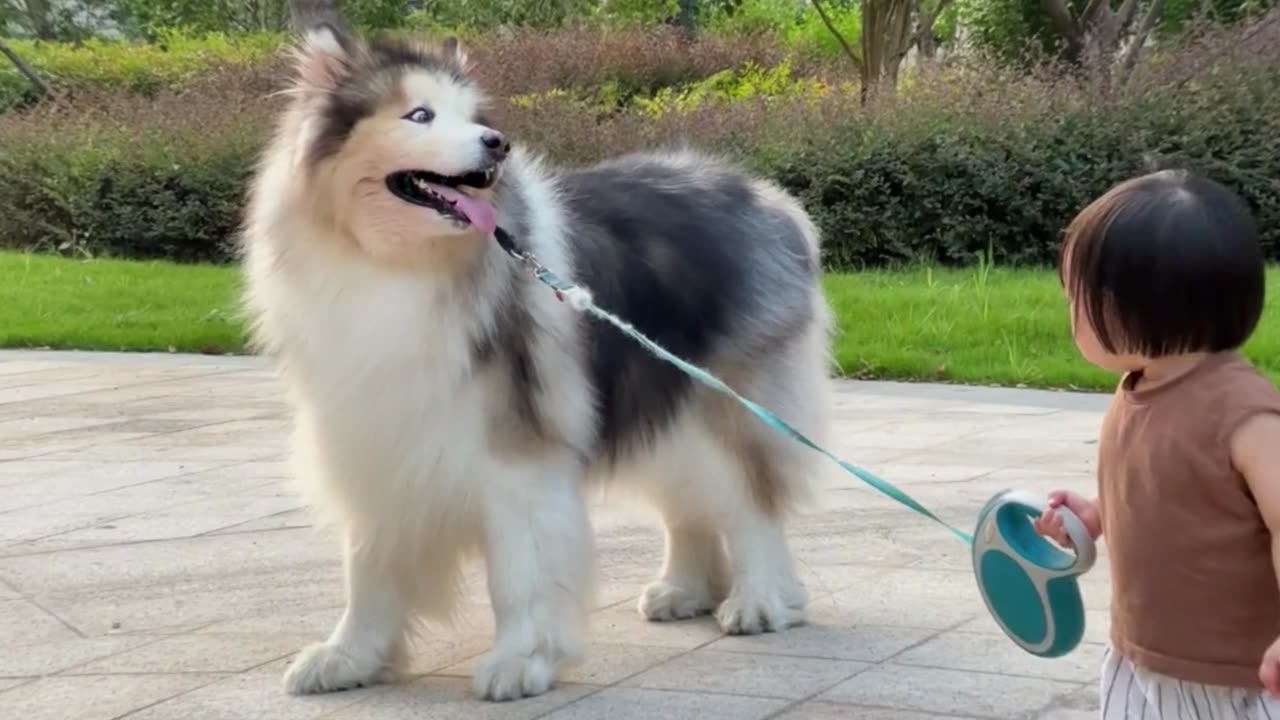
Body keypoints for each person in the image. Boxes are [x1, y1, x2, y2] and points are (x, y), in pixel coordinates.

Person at [1031, 169, 1280, 718]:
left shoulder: (1246, 414)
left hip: (1234, 676)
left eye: (1075, 297)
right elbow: (1170, 494)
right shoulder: (1142, 386)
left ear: (1124, 307)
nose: (1069, 312)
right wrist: (1096, 515)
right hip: (1140, 654)